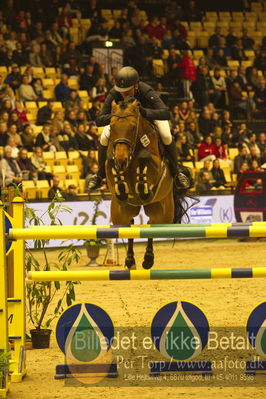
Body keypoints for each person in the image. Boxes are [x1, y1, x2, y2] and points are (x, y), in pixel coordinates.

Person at [88, 66, 190, 191]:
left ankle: (177, 172)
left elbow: (165, 113)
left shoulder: (146, 90)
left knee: (166, 135)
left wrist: (144, 112)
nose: (123, 93)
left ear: (136, 86)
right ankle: (99, 175)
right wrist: (119, 116)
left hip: (148, 118)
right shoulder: (114, 92)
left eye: (127, 90)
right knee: (103, 137)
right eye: (121, 90)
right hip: (123, 123)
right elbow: (99, 120)